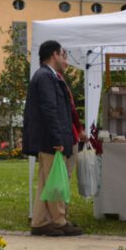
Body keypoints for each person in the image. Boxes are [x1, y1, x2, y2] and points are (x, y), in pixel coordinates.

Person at [21, 39, 84, 237]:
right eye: (63, 55)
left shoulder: (46, 75)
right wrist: (58, 139)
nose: (65, 59)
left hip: (48, 138)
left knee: (46, 181)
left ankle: (40, 222)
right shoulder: (46, 77)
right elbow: (50, 109)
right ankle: (59, 220)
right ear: (54, 54)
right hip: (50, 140)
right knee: (55, 181)